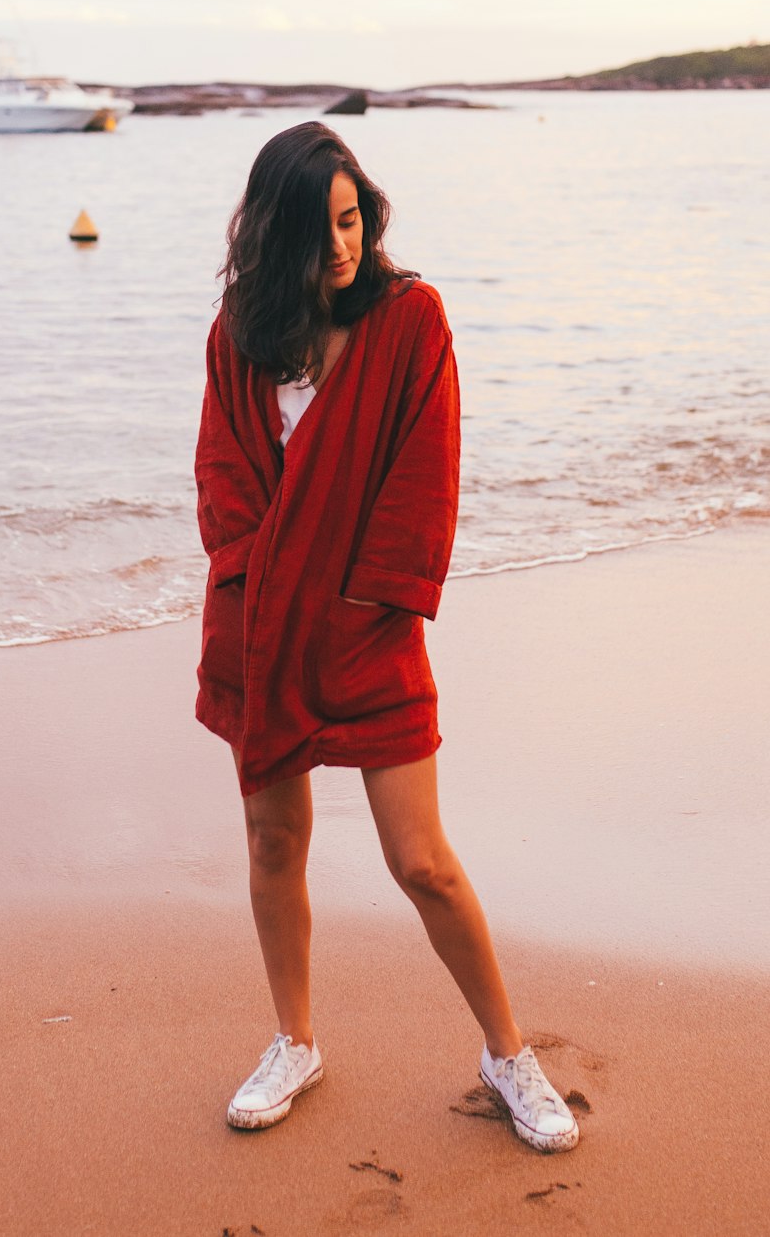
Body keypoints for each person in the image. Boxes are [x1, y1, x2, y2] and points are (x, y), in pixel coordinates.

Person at [193, 122, 578, 1155]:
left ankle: (507, 1054)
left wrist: (374, 602)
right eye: (321, 231)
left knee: (423, 863)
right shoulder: (239, 333)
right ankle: (295, 1042)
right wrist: (248, 581)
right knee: (276, 843)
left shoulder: (413, 322)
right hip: (265, 628)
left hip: (367, 625)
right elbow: (223, 486)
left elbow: (424, 481)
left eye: (353, 220)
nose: (343, 248)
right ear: (275, 237)